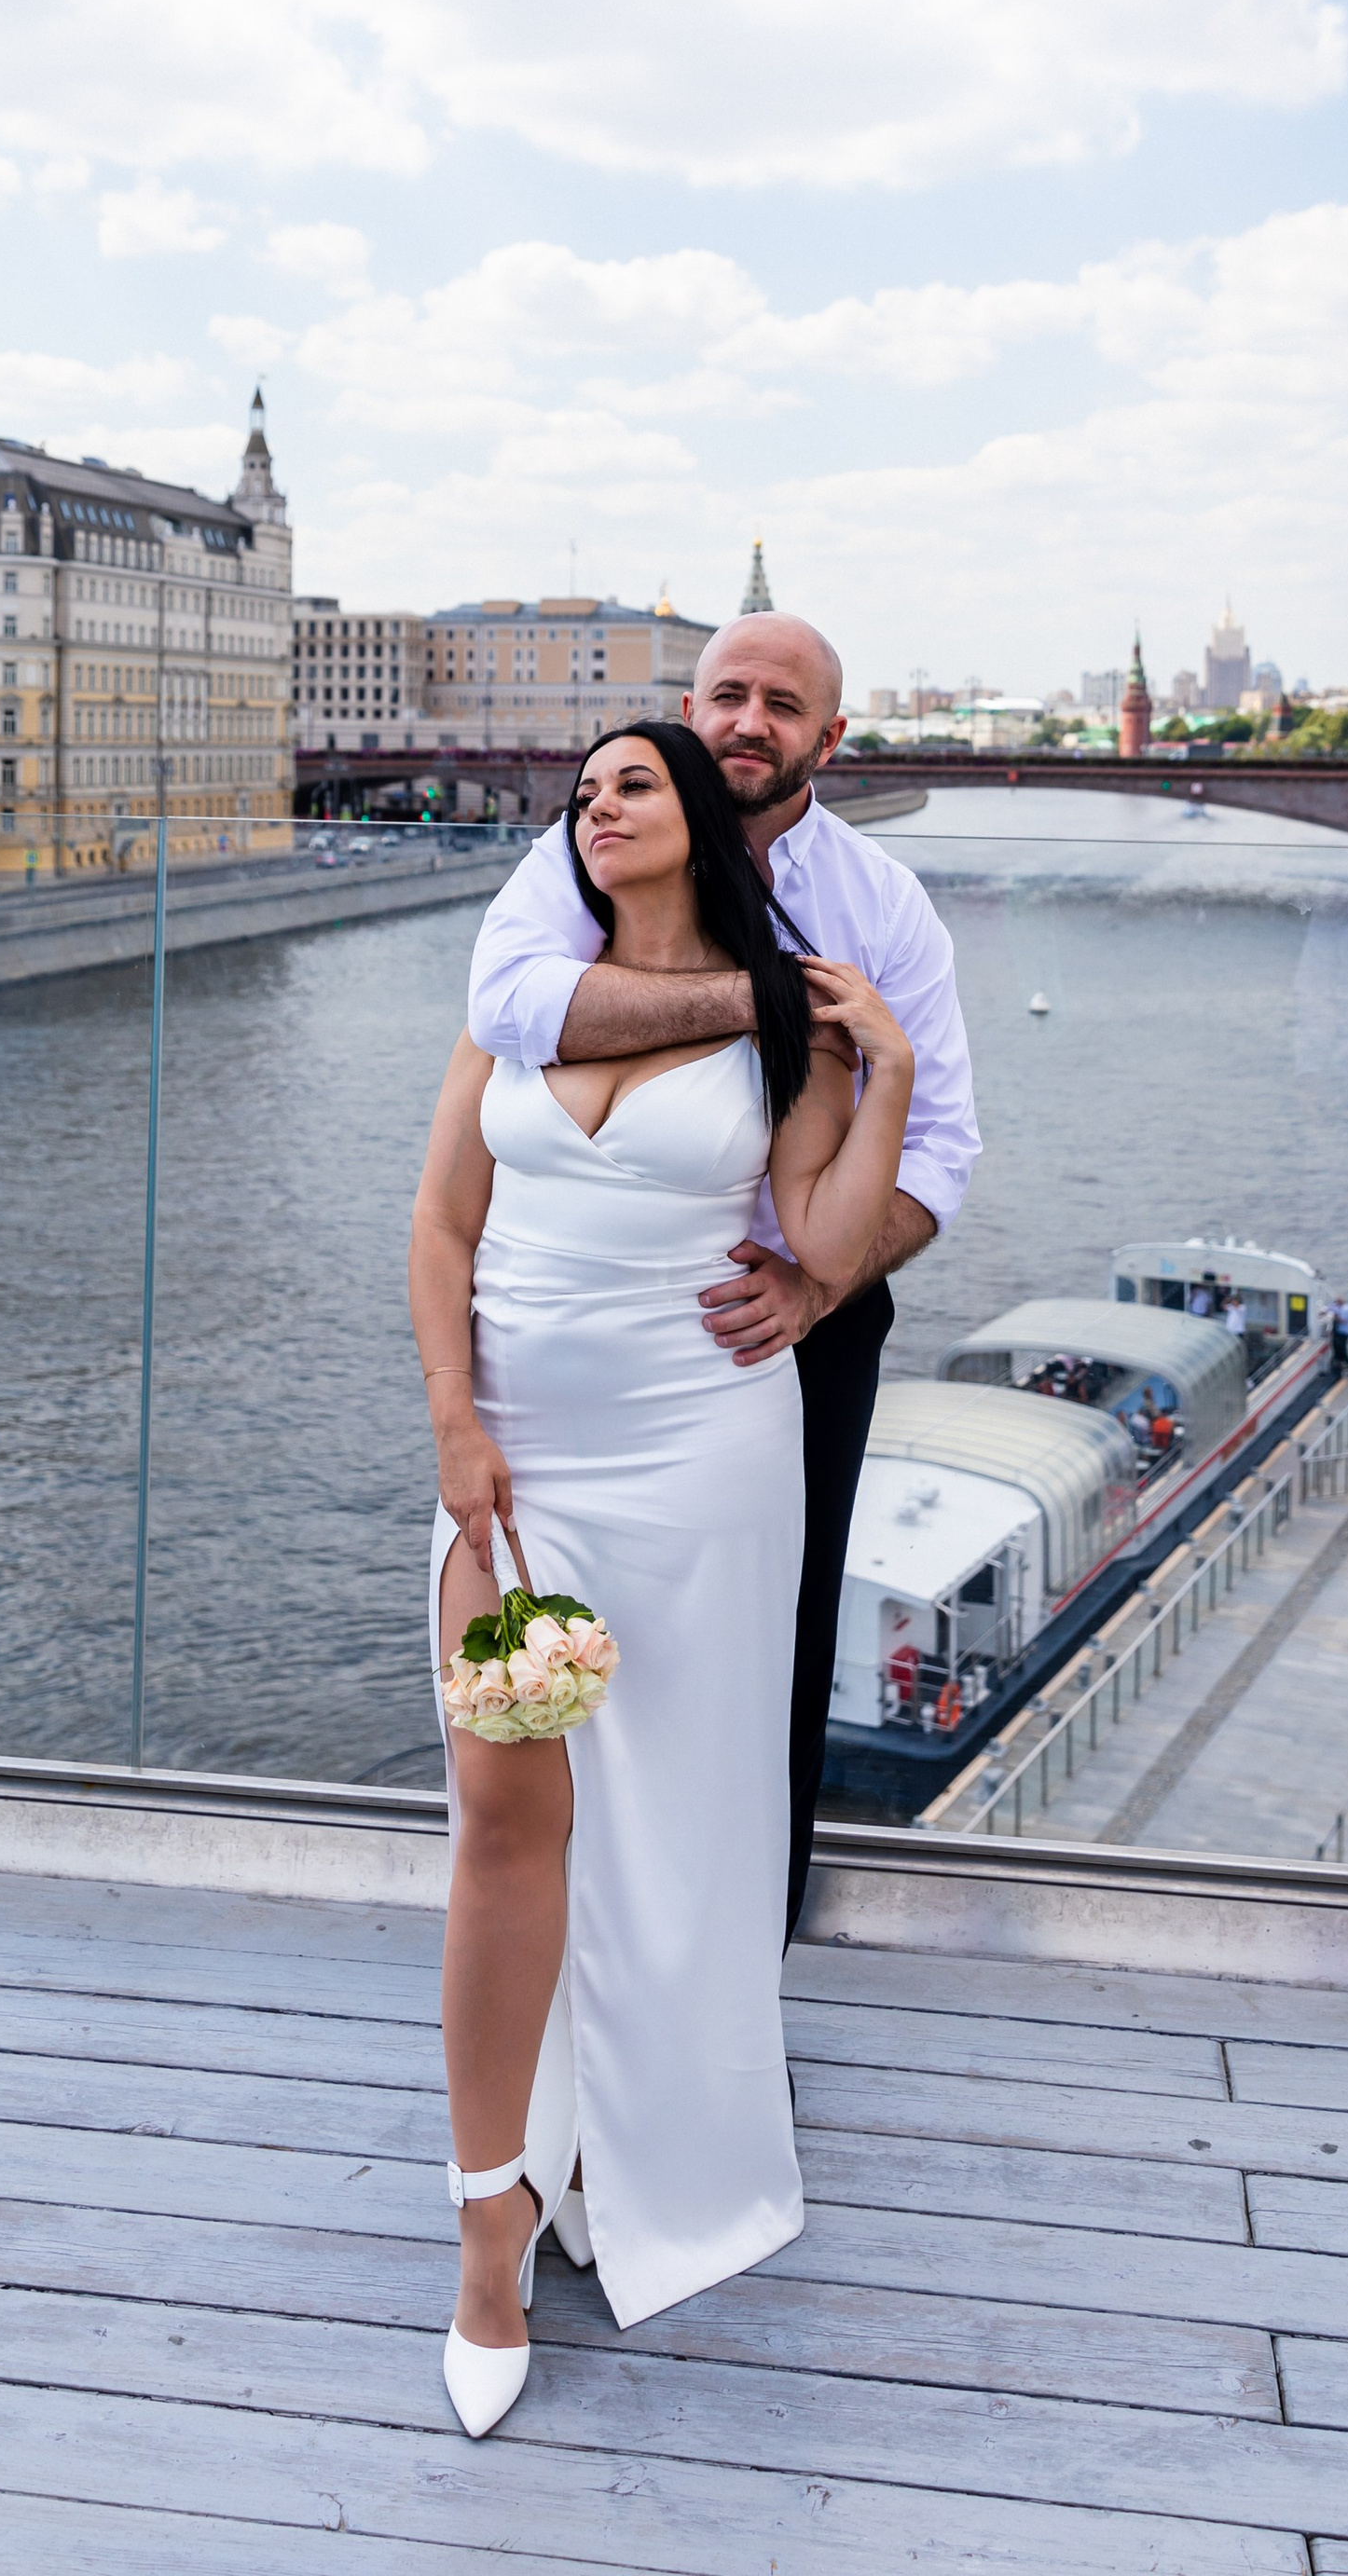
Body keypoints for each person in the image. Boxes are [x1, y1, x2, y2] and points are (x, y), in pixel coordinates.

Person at [414, 718, 915, 2433]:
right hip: (517, 1472)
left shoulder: (795, 1025)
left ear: (697, 820)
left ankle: (643, 2147)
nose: (596, 807)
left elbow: (829, 1247)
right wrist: (454, 1430)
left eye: (632, 783)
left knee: (683, 1816)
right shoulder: (518, 993)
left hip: (700, 1463)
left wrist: (891, 1078)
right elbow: (440, 1229)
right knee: (503, 1811)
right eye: (584, 792)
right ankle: (493, 2220)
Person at [466, 610, 979, 1944]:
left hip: (793, 1322)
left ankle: (743, 1954)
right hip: (596, 1321)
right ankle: (565, 1941)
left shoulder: (884, 904)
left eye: (783, 704)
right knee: (555, 1641)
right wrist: (760, 999)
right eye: (727, 695)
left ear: (831, 738)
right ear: (690, 709)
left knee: (772, 1652)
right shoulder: (584, 852)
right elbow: (508, 1010)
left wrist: (820, 1285)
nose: (750, 722)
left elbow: (942, 1147)